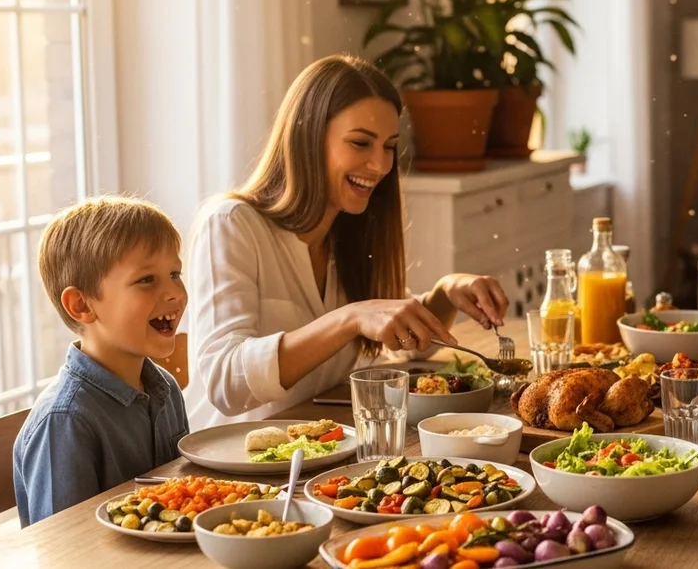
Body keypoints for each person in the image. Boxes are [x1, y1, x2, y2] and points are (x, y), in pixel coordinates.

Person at [185, 54, 509, 428]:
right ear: (308, 137)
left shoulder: (346, 231)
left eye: (388, 146)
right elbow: (226, 383)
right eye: (360, 143)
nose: (381, 165)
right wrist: (349, 319)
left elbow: (394, 341)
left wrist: (445, 294)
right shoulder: (230, 225)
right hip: (224, 473)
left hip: (319, 455)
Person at [13, 196, 190, 527]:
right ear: (81, 305)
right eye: (147, 279)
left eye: (175, 273)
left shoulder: (166, 388)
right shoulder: (65, 421)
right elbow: (64, 551)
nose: (175, 293)